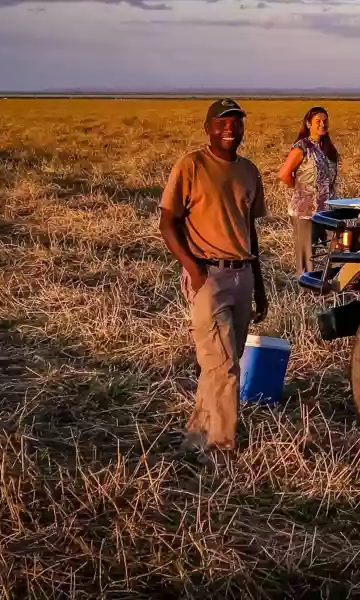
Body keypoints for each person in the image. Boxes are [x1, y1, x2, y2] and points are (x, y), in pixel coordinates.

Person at [158, 97, 269, 454]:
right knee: (223, 366)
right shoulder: (191, 166)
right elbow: (167, 222)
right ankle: (221, 448)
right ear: (207, 129)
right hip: (209, 276)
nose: (229, 129)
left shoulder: (249, 172)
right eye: (221, 122)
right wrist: (194, 270)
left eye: (236, 122)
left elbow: (249, 232)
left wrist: (260, 286)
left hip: (242, 277)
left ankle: (197, 435)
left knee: (221, 363)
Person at [278, 105, 341, 275]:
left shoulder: (328, 148)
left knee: (337, 247)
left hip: (327, 209)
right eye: (318, 121)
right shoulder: (302, 147)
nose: (322, 124)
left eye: (325, 121)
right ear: (308, 124)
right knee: (307, 255)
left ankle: (332, 283)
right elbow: (284, 174)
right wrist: (302, 190)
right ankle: (307, 288)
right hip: (305, 211)